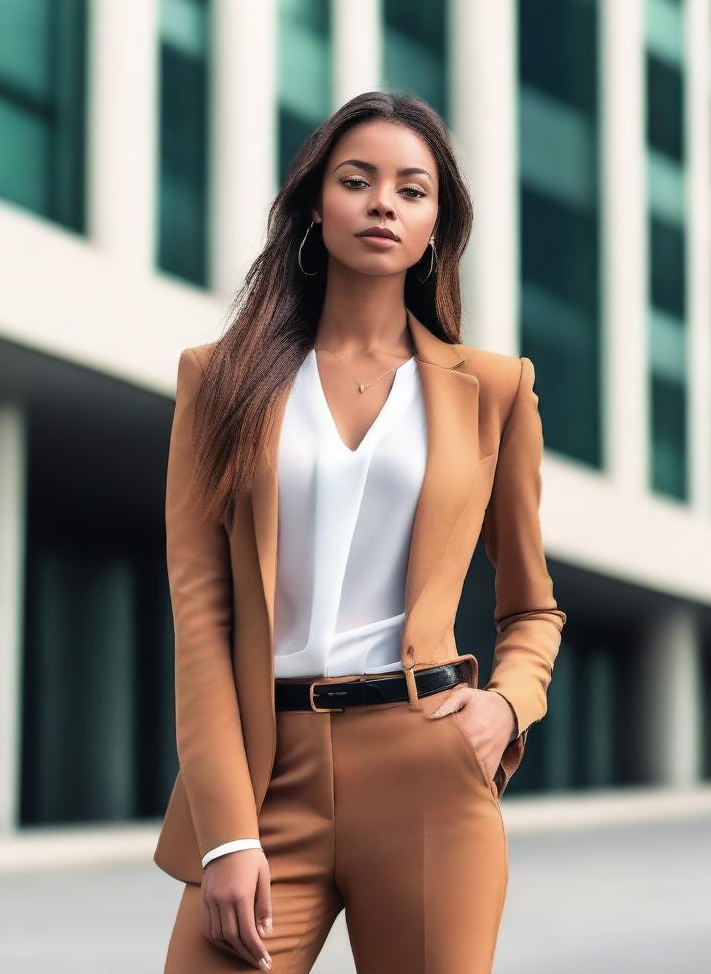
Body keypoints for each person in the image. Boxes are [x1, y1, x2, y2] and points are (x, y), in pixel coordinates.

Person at [158, 91, 567, 973]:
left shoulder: (493, 391)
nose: (384, 202)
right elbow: (202, 624)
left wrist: (507, 706)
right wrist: (227, 838)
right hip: (266, 776)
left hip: (427, 770)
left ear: (433, 228)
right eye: (358, 181)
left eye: (412, 190)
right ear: (316, 203)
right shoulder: (219, 381)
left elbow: (532, 609)